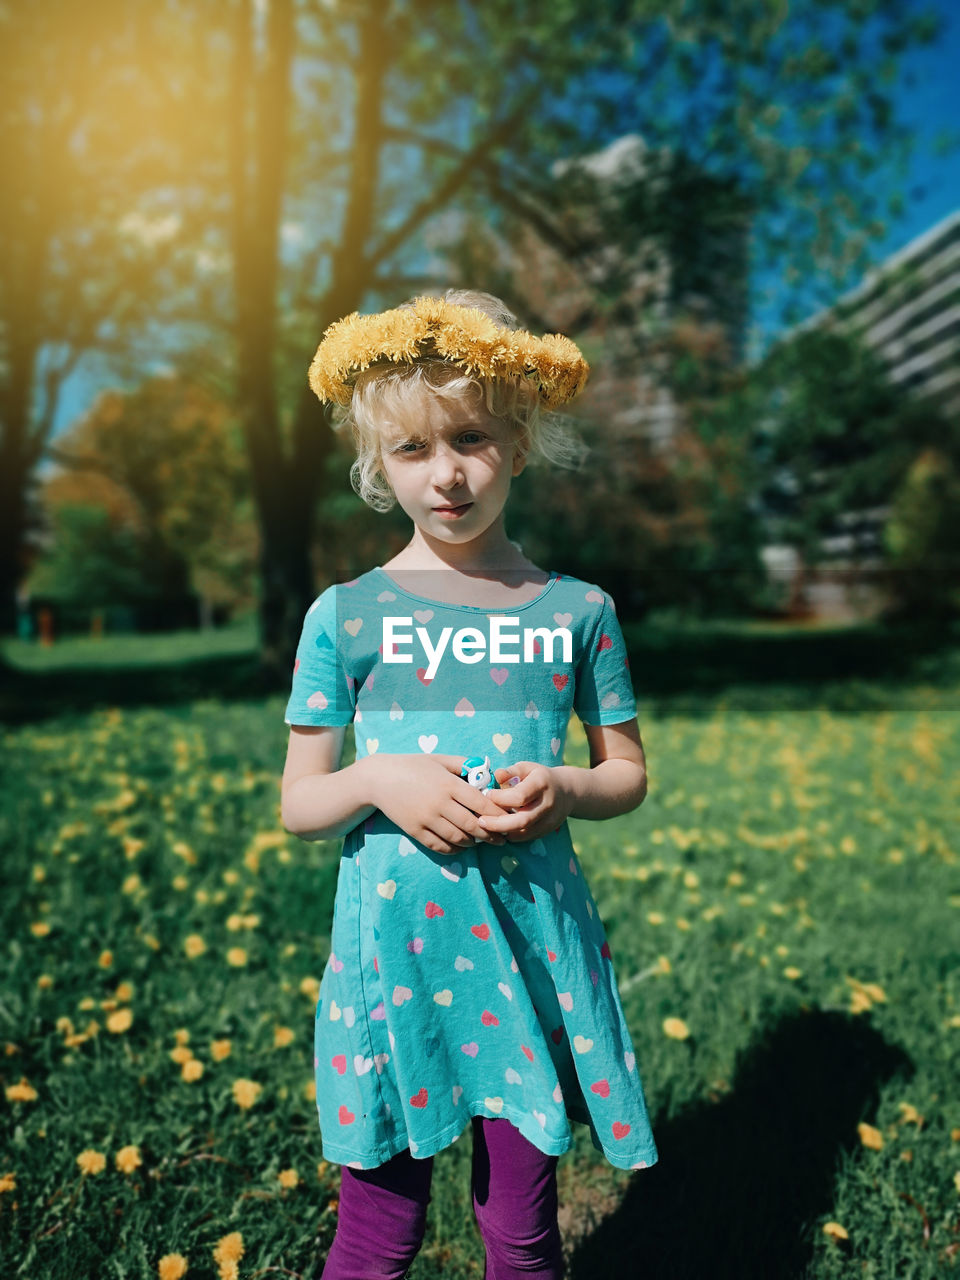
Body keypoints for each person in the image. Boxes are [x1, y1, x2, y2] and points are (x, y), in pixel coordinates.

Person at [281, 290, 658, 1279]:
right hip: (392, 964)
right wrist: (377, 774)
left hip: (528, 958)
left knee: (522, 1232)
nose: (446, 472)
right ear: (377, 465)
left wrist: (569, 788)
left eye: (473, 438)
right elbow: (302, 803)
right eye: (411, 449)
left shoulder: (578, 611)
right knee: (376, 1232)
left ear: (521, 441)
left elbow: (627, 771)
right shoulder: (346, 615)